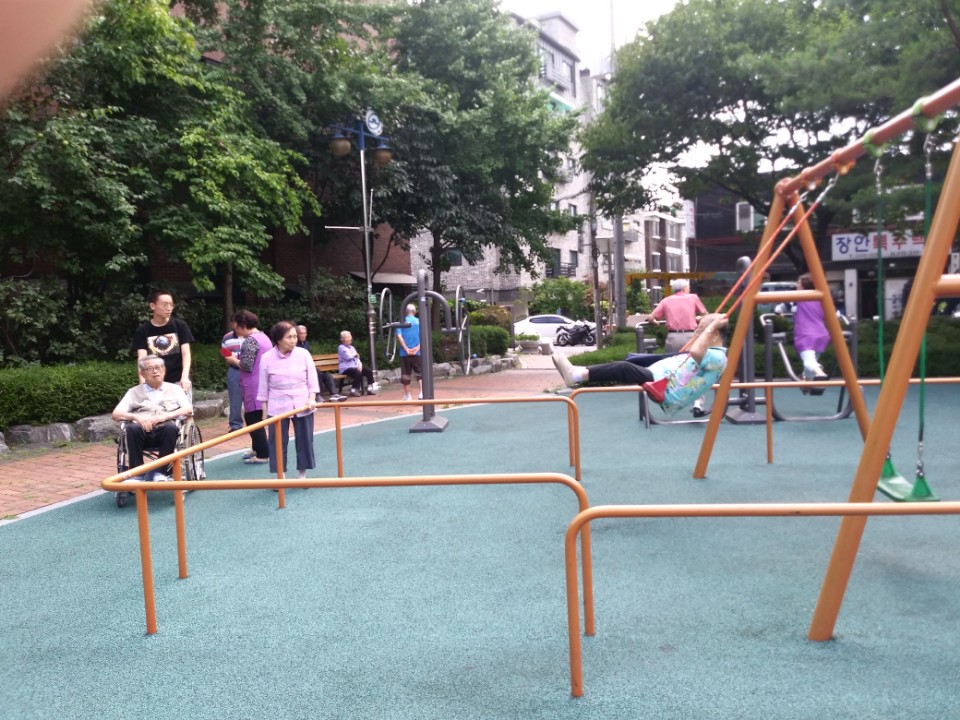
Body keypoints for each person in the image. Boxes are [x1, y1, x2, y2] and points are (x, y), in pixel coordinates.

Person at [552, 313, 729, 412]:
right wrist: (705, 325)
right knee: (631, 360)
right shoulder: (710, 352)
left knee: (624, 368)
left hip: (665, 388)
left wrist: (711, 326)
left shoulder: (718, 357)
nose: (697, 335)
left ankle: (576, 375)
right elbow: (693, 351)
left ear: (714, 333)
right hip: (662, 379)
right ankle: (578, 371)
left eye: (700, 331)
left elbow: (696, 352)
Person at [113, 357, 193, 482]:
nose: (155, 371)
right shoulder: (133, 392)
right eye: (150, 369)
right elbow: (116, 414)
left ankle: (160, 472)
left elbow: (188, 409)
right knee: (132, 429)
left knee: (171, 428)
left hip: (165, 431)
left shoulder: (175, 389)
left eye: (158, 367)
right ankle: (137, 473)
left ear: (164, 370)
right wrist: (136, 417)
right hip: (141, 432)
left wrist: (166, 416)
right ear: (142, 373)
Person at [258, 321, 320, 480]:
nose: (293, 340)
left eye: (294, 337)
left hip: (302, 402)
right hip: (277, 404)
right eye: (289, 337)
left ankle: (302, 474)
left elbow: (312, 379)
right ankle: (280, 475)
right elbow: (263, 386)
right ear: (278, 339)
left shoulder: (303, 354)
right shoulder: (267, 358)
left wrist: (312, 398)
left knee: (305, 439)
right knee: (277, 442)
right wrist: (264, 410)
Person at [648, 279, 709, 415]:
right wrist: (697, 318)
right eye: (688, 287)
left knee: (673, 368)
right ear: (685, 288)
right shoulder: (693, 298)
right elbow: (705, 315)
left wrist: (656, 322)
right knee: (696, 369)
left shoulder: (666, 300)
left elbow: (651, 317)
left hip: (673, 337)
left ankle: (670, 400)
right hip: (691, 337)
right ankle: (697, 404)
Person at [229, 310, 272, 464]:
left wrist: (232, 360)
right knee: (251, 416)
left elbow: (246, 365)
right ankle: (257, 448)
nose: (236, 331)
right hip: (262, 381)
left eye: (237, 327)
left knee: (254, 418)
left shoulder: (250, 340)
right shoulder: (264, 337)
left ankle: (263, 454)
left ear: (243, 325)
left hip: (253, 384)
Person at [132, 291, 195, 395]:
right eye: (165, 305)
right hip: (154, 384)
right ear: (153, 306)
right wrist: (142, 384)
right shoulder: (142, 331)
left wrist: (185, 377)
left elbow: (186, 354)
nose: (169, 308)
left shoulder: (180, 326)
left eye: (171, 305)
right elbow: (142, 360)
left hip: (178, 381)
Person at [793, 273, 830, 381]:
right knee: (812, 362)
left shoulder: (799, 297)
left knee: (809, 361)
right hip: (822, 334)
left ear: (804, 286)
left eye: (799, 283)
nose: (796, 286)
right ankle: (807, 381)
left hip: (805, 334)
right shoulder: (821, 298)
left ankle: (819, 372)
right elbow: (834, 314)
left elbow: (780, 308)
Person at [297, 324, 346, 402]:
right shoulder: (295, 345)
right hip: (302, 370)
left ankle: (334, 395)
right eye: (301, 333)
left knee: (327, 376)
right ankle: (318, 395)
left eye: (304, 333)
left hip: (310, 368)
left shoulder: (306, 343)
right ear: (297, 334)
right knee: (317, 371)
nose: (303, 335)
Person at [396, 304, 423, 401]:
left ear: (405, 312)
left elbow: (399, 336)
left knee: (405, 374)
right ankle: (422, 393)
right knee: (419, 373)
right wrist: (417, 348)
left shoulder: (400, 322)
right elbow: (424, 336)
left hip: (404, 353)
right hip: (418, 352)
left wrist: (407, 349)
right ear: (414, 312)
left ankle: (408, 395)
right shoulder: (419, 322)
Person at [221, 323, 244, 432]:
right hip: (234, 369)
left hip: (251, 370)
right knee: (234, 398)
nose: (236, 325)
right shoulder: (227, 337)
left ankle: (256, 422)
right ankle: (235, 425)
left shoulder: (251, 335)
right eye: (235, 323)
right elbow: (223, 351)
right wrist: (231, 358)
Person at [338, 330, 377, 396]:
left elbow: (357, 358)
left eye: (350, 337)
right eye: (347, 337)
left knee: (368, 370)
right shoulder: (341, 348)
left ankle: (370, 388)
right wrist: (355, 354)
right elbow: (348, 357)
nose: (350, 339)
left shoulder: (352, 347)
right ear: (343, 339)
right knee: (357, 372)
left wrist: (360, 364)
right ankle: (354, 390)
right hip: (345, 368)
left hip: (354, 367)